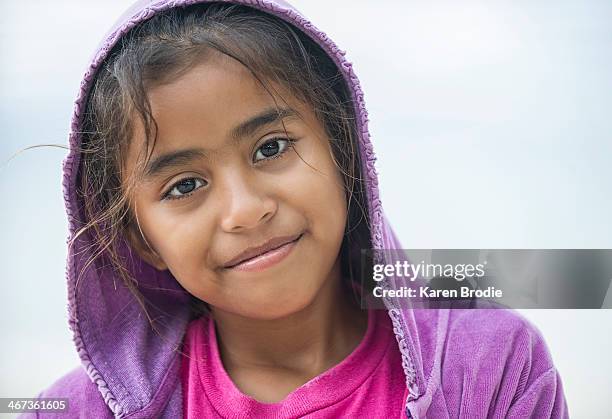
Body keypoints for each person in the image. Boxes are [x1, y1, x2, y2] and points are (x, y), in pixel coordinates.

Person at [25, 0, 568, 417]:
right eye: (185, 185)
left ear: (344, 151)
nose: (245, 210)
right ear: (143, 240)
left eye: (271, 148)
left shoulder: (490, 364)